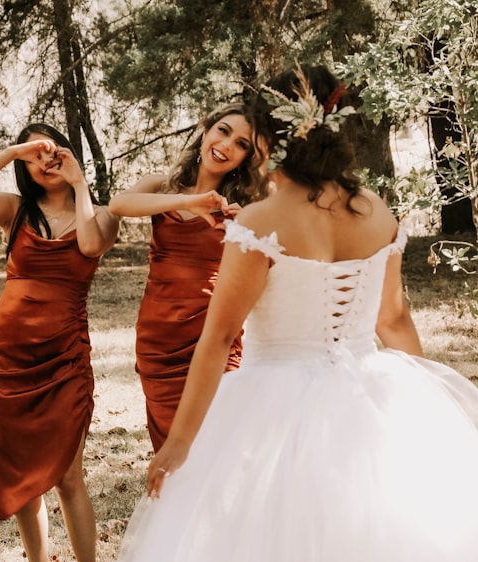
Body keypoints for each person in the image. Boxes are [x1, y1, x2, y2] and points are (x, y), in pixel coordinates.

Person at [117, 64, 478, 562]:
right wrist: (430, 409)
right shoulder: (378, 212)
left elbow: (219, 337)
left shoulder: (260, 221)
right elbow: (392, 321)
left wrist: (180, 442)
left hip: (271, 403)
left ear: (267, 139)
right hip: (370, 395)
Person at [0, 123, 120, 562]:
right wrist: (12, 151)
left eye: (53, 151)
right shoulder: (15, 210)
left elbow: (89, 243)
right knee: (22, 473)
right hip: (8, 357)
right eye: (36, 156)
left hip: (64, 354)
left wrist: (79, 182)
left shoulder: (102, 213)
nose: (46, 161)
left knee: (68, 474)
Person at [108, 104, 265, 451]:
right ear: (206, 128)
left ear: (246, 159)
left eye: (241, 144)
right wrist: (187, 200)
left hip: (213, 333)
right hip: (158, 340)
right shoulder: (160, 188)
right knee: (173, 457)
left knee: (222, 448)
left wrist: (248, 228)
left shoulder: (246, 207)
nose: (226, 145)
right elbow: (118, 205)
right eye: (223, 131)